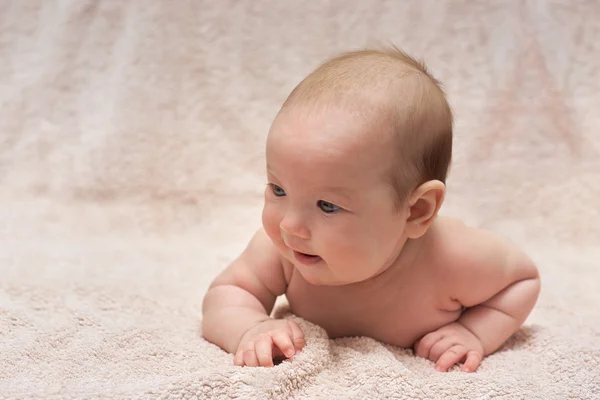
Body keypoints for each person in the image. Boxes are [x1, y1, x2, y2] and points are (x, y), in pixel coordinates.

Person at [201, 47, 541, 372]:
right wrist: (250, 328)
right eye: (278, 189)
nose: (290, 225)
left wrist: (476, 333)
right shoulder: (282, 252)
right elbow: (227, 294)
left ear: (416, 211)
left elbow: (522, 281)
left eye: (327, 205)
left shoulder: (454, 258)